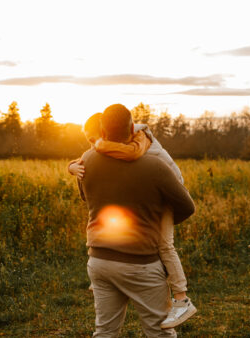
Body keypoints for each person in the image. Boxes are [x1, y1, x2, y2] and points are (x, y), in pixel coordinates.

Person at [68, 112, 196, 328]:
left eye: (95, 140)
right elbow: (187, 207)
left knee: (105, 331)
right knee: (159, 331)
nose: (94, 145)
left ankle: (182, 298)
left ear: (104, 133)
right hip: (139, 263)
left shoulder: (130, 148)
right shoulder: (147, 163)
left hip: (100, 261)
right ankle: (180, 296)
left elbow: (87, 196)